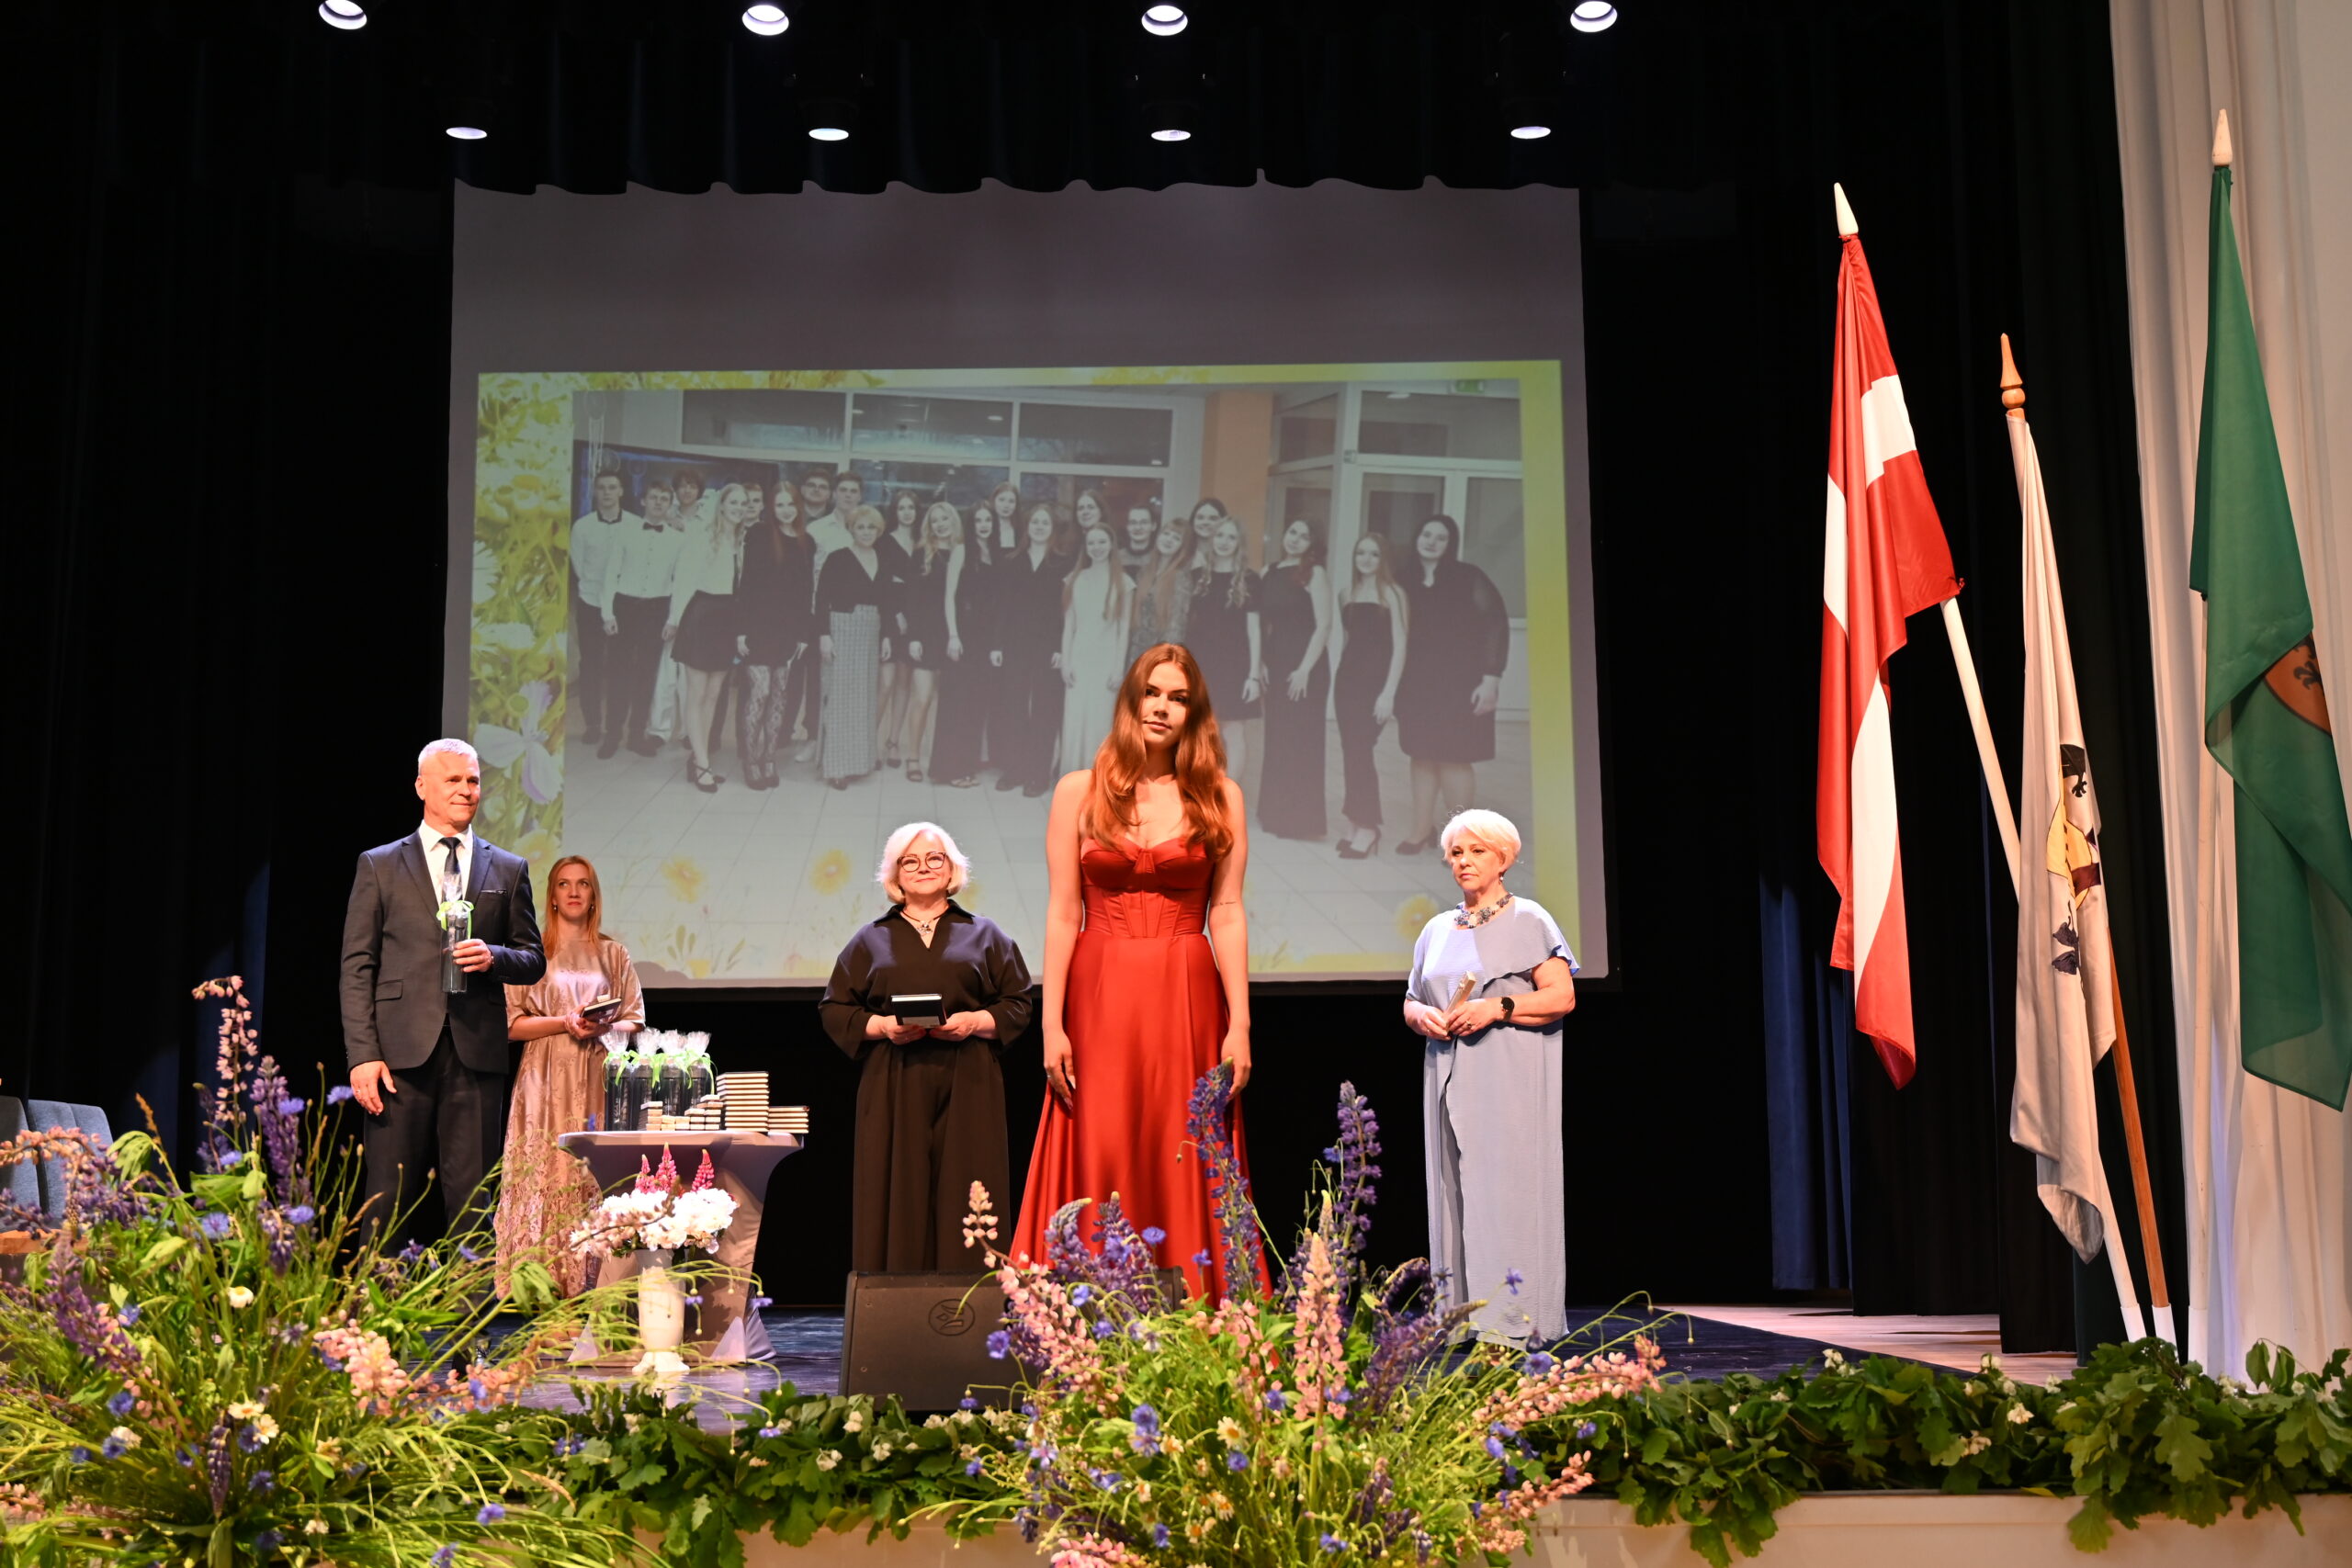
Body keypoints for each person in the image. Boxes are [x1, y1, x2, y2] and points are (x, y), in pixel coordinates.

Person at [1012, 645, 1261, 1301]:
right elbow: (1062, 912)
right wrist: (1050, 1024)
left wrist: (1240, 1024)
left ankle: (1197, 1308)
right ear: (1130, 700)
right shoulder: (1078, 790)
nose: (1162, 707)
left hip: (1186, 989)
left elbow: (1227, 911)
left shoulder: (1221, 796)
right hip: (1100, 990)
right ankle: (1085, 1306)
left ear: (1194, 714)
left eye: (1178, 698)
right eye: (1152, 692)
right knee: (1101, 1137)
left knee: (1182, 1137)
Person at [341, 739, 546, 1247]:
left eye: (472, 780)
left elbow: (533, 959)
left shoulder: (508, 868)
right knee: (386, 1201)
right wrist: (363, 1055)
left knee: (474, 1204)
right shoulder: (380, 865)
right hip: (398, 1058)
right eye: (453, 779)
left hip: (476, 1055)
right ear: (421, 787)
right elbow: (357, 967)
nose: (465, 790)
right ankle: (377, 1299)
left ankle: (471, 1301)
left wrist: (494, 957)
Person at [820, 823, 1034, 1271]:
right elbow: (836, 1008)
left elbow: (1018, 1002)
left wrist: (974, 1021)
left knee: (969, 1186)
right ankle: (893, 1299)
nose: (923, 868)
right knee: (899, 1189)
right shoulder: (871, 938)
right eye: (910, 861)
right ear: (895, 874)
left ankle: (970, 1301)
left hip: (970, 1077)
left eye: (934, 858)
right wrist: (883, 1026)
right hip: (894, 1078)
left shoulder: (985, 933)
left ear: (952, 868)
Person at [1400, 809, 1576, 1341]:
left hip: (1508, 1078)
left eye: (1477, 851)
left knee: (1507, 1195)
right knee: (1453, 1191)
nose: (1464, 861)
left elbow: (1562, 996)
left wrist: (1497, 1006)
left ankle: (1512, 1324)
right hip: (1447, 1073)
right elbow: (1411, 999)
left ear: (1504, 859)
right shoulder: (1436, 929)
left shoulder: (1530, 919)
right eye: (1456, 852)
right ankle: (1461, 1323)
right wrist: (1421, 1017)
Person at [494, 855, 643, 1297]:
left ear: (594, 895)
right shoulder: (530, 953)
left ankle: (592, 1287)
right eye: (564, 884)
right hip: (542, 1078)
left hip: (595, 1074)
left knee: (588, 1176)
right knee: (545, 1170)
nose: (574, 891)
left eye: (583, 883)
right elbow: (511, 1024)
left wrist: (600, 1026)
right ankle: (541, 1289)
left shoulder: (613, 953)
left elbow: (635, 1019)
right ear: (552, 896)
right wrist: (564, 1022)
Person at [1394, 514, 1510, 854]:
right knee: (1421, 755)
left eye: (1440, 537)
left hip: (1462, 683)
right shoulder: (1403, 578)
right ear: (1417, 537)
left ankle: (1460, 840)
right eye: (1426, 534)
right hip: (1416, 683)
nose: (1431, 542)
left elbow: (1495, 624)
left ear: (1450, 543)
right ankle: (1420, 831)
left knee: (1455, 758)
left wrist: (1491, 678)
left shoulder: (1468, 576)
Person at [666, 481, 751, 792]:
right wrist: (674, 620)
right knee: (697, 693)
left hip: (728, 617)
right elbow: (684, 579)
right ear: (722, 505)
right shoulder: (702, 536)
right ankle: (702, 763)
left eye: (743, 504)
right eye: (734, 502)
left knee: (714, 694)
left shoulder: (743, 540)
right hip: (702, 615)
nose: (739, 508)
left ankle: (698, 759)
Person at [1333, 532, 1408, 858]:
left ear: (1383, 559)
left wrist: (1388, 693)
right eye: (1361, 553)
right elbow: (1349, 641)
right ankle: (1355, 821)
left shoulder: (1392, 593)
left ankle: (1368, 826)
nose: (1366, 559)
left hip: (1376, 685)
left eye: (1374, 554)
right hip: (1347, 681)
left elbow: (1401, 645)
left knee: (1361, 750)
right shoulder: (1346, 593)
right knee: (1351, 751)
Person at [1256, 517, 1332, 840]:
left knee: (1302, 741)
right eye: (1292, 532)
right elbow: (1261, 623)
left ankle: (1301, 821)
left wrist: (1304, 670)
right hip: (1275, 662)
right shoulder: (1268, 572)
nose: (1295, 539)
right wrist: (1260, 661)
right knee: (1277, 738)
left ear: (1312, 543)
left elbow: (1324, 625)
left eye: (1304, 535)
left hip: (1306, 667)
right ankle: (1274, 814)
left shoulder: (1315, 574)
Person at [736, 482, 816, 789]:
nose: (786, 510)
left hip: (788, 630)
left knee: (780, 694)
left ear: (798, 507)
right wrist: (741, 630)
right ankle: (750, 760)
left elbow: (806, 590)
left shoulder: (806, 542)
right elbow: (747, 583)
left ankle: (769, 758)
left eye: (790, 504)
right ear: (771, 508)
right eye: (780, 505)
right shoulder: (758, 534)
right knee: (760, 692)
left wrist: (804, 634)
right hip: (758, 626)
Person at [600, 475, 685, 758]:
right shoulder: (624, 532)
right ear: (642, 500)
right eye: (654, 498)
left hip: (656, 610)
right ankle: (612, 735)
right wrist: (607, 613)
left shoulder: (677, 540)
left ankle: (637, 735)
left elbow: (678, 582)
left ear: (670, 504)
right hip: (625, 607)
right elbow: (611, 574)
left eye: (664, 499)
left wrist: (673, 619)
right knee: (618, 673)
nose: (658, 503)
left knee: (647, 675)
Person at [990, 501, 1071, 797]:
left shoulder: (1064, 562)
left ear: (1052, 529)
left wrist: (1061, 647)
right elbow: (1001, 605)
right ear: (1027, 527)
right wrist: (997, 644)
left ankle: (1038, 774)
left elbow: (1067, 609)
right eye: (1035, 522)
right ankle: (1014, 770)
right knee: (1013, 706)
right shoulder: (1012, 560)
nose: (1039, 527)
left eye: (1044, 523)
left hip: (1049, 647)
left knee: (1044, 709)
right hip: (1015, 644)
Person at [818, 503, 891, 789]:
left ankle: (860, 762)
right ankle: (837, 767)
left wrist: (887, 636)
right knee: (840, 698)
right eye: (860, 527)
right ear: (851, 529)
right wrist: (823, 634)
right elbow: (821, 598)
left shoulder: (882, 558)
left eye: (871, 527)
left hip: (871, 630)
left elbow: (886, 601)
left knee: (863, 699)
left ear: (879, 530)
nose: (866, 532)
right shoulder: (838, 558)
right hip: (842, 628)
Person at [1186, 515, 1262, 785]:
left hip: (1235, 665)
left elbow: (1254, 631)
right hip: (1201, 663)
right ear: (1211, 539)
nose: (1224, 542)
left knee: (1233, 730)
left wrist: (1253, 675)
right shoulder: (1197, 577)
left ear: (1239, 543)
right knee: (1199, 730)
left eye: (1231, 537)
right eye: (1220, 535)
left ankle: (1228, 796)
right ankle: (1199, 791)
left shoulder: (1250, 580)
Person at [928, 503, 998, 788]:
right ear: (971, 524)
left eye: (988, 520)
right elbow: (949, 597)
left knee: (975, 705)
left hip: (985, 639)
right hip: (962, 636)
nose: (984, 525)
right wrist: (953, 635)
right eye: (978, 520)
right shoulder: (961, 550)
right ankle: (948, 769)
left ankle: (966, 766)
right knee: (955, 703)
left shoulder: (995, 553)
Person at [571, 468, 639, 754]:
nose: (607, 492)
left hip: (624, 606)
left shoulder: (636, 525)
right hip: (591, 603)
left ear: (621, 491)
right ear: (595, 492)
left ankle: (615, 729)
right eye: (602, 488)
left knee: (622, 667)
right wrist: (599, 597)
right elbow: (579, 566)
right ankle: (592, 724)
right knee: (590, 665)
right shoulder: (582, 527)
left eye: (612, 487)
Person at [1058, 520, 1134, 775]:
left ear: (1112, 544)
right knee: (1075, 718)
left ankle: (1100, 778)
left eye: (1102, 542)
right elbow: (1069, 626)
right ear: (1085, 547)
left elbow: (1124, 629)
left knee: (1101, 721)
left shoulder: (1124, 582)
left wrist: (1118, 668)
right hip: (1079, 658)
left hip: (1106, 660)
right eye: (1091, 543)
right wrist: (1066, 662)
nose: (1097, 547)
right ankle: (1073, 776)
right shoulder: (1074, 579)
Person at [896, 501, 962, 782]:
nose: (940, 524)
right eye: (935, 520)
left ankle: (944, 759)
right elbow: (912, 598)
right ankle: (913, 757)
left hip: (955, 635)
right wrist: (913, 637)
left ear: (953, 520)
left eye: (945, 518)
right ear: (929, 525)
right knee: (922, 698)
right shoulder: (920, 554)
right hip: (926, 635)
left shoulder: (963, 552)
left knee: (949, 704)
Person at [793, 468, 854, 765]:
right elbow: (804, 575)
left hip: (854, 618)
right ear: (834, 495)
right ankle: (813, 737)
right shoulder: (816, 530)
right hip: (820, 612)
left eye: (854, 491)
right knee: (816, 680)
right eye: (843, 490)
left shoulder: (866, 527)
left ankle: (841, 739)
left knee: (846, 683)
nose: (848, 496)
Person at [876, 489, 924, 768]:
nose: (907, 513)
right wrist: (895, 616)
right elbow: (883, 585)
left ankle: (893, 741)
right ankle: (867, 741)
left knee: (905, 683)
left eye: (911, 508)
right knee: (885, 683)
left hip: (915, 619)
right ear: (894, 511)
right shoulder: (884, 542)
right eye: (902, 507)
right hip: (890, 619)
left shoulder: (922, 542)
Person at [1128, 514, 1195, 666]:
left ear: (1183, 547)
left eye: (1176, 538)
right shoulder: (1144, 572)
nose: (1169, 540)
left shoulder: (1181, 578)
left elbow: (1176, 627)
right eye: (1166, 534)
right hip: (1136, 651)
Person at [1183, 496, 1228, 568]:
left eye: (1213, 519)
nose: (1205, 522)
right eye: (1200, 518)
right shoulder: (1181, 552)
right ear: (1193, 521)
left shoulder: (1230, 556)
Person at [1117, 500, 1159, 575]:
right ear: (1127, 526)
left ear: (1153, 526)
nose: (1138, 527)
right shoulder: (1116, 557)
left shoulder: (1160, 558)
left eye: (1144, 522)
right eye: (1133, 522)